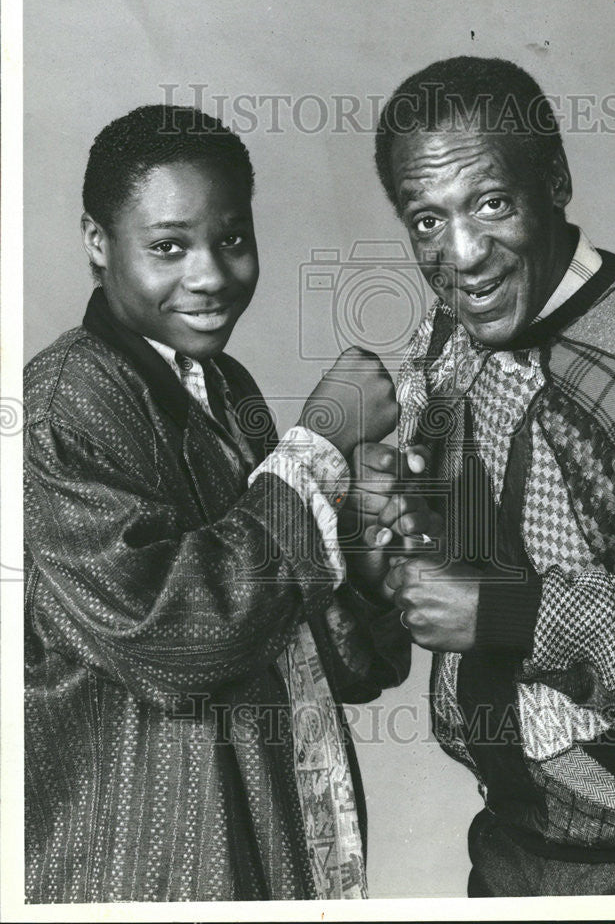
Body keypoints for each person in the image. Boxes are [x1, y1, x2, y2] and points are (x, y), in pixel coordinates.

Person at [345, 56, 615, 895]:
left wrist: (503, 613)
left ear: (555, 181)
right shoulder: (443, 349)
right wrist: (377, 526)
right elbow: (424, 586)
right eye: (425, 220)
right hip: (510, 853)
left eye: (490, 204)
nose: (463, 257)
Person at [23, 105, 428, 902]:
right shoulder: (62, 401)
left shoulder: (227, 391)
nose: (209, 274)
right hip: (135, 862)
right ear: (97, 243)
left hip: (253, 836)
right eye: (168, 246)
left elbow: (282, 644)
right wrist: (318, 442)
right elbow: (178, 641)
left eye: (232, 239)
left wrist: (364, 563)